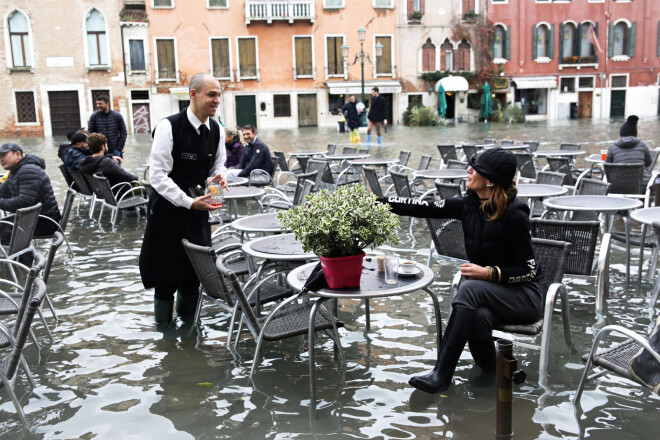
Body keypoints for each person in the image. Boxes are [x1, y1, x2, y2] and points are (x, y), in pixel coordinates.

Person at [377, 148, 542, 394]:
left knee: (469, 288)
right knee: (478, 317)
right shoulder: (468, 206)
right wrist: (378, 203)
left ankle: (441, 375)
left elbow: (528, 270)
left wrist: (490, 273)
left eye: (475, 168)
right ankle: (495, 372)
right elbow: (423, 207)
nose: (469, 170)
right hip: (490, 296)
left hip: (523, 296)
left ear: (490, 179)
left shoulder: (515, 214)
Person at [139, 73, 227, 330]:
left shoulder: (217, 129)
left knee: (194, 275)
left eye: (219, 95)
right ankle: (166, 339)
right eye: (211, 94)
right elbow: (157, 176)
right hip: (167, 212)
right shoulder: (168, 126)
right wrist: (188, 202)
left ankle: (189, 336)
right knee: (166, 278)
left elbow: (218, 164)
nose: (216, 100)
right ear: (193, 94)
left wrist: (219, 179)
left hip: (198, 210)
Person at [0, 143, 61, 265]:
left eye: (4, 155)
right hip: (32, 219)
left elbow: (23, 202)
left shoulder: (28, 170)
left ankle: (24, 268)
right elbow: (2, 192)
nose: (1, 159)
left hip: (45, 222)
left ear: (17, 154)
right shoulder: (16, 171)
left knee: (5, 231)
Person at [606, 115, 653, 187]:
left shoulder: (612, 147)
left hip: (618, 186)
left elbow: (608, 168)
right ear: (635, 133)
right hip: (642, 185)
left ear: (621, 133)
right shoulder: (642, 145)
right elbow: (648, 163)